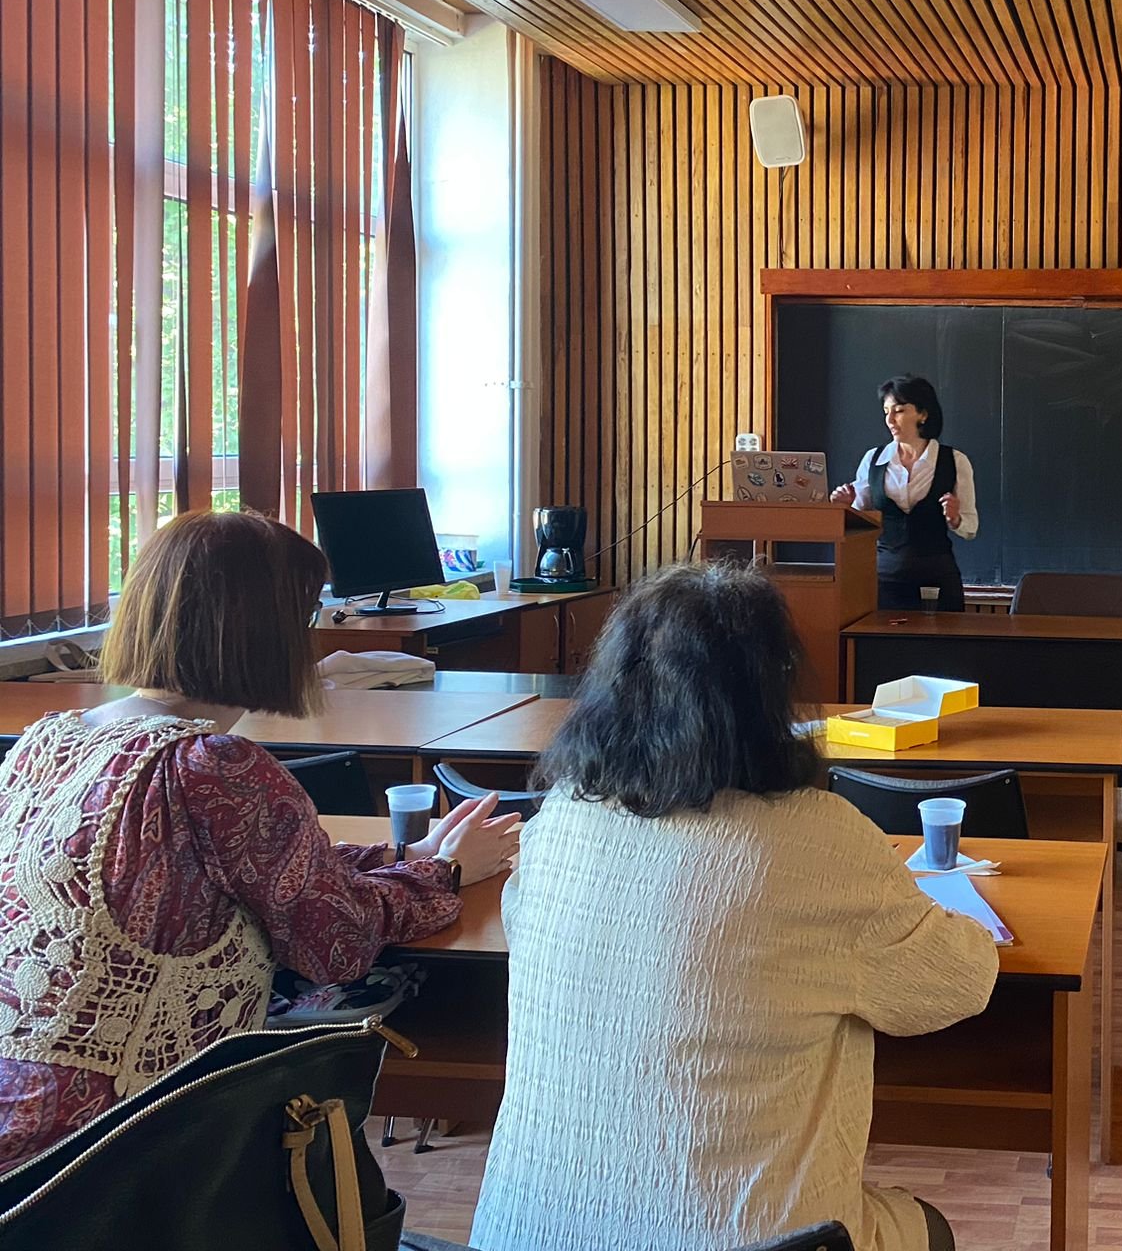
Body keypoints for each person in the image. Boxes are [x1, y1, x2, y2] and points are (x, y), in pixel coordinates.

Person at [471, 561, 997, 1251]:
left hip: (521, 1233)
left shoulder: (558, 821)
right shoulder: (818, 838)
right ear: (771, 693)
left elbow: (520, 921)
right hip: (751, 1239)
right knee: (927, 1227)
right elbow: (958, 984)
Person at [0, 511, 519, 1172]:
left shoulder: (48, 740)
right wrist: (444, 872)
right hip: (120, 1145)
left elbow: (234, 873)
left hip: (21, 1122)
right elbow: (335, 943)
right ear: (265, 630)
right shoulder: (213, 767)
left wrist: (399, 857)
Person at [829, 374, 979, 611]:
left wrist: (955, 518)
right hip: (884, 581)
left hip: (937, 581)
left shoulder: (954, 461)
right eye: (886, 411)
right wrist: (845, 505)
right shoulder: (874, 459)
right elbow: (861, 517)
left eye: (899, 411)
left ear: (922, 414)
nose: (890, 419)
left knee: (941, 635)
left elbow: (971, 527)